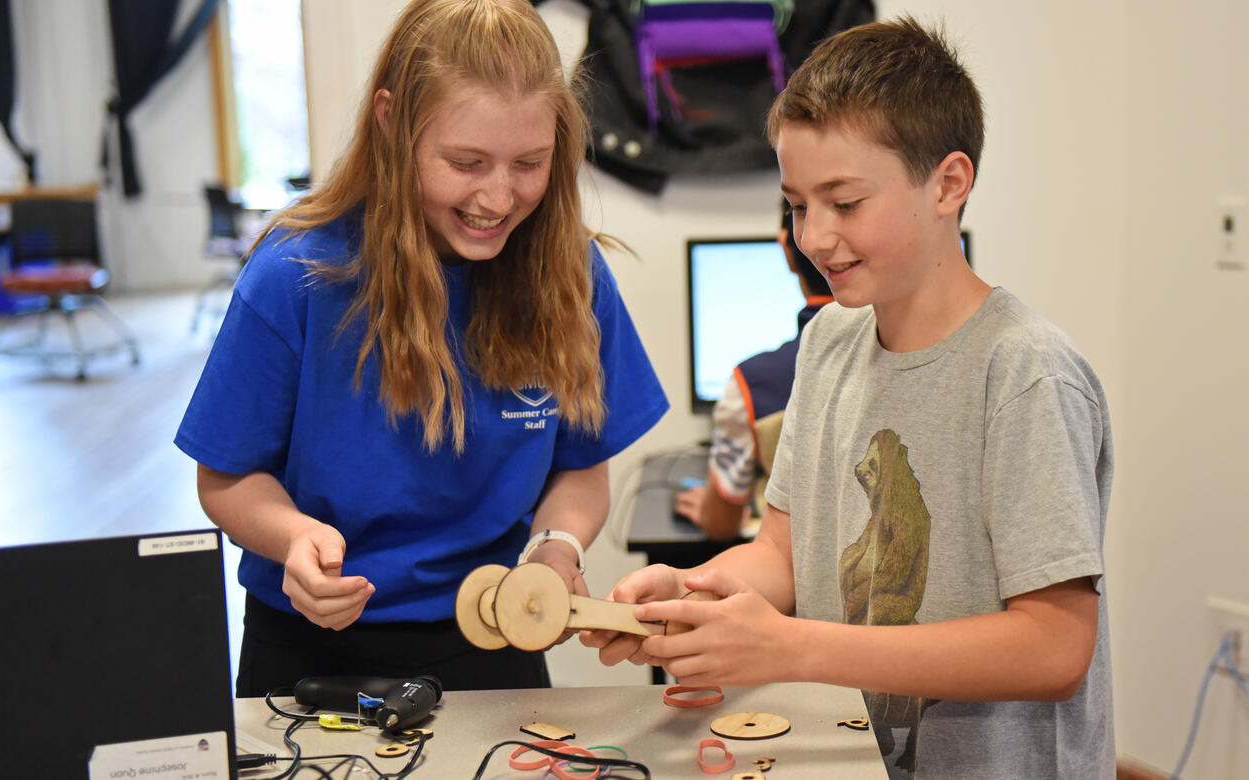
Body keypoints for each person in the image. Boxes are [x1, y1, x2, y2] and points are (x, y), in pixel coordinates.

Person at [582, 16, 1114, 779]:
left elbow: (1055, 647)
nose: (815, 238)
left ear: (949, 183)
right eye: (798, 205)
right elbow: (781, 555)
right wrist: (696, 595)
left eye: (845, 202)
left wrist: (790, 645)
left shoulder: (1025, 374)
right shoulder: (829, 341)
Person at [175, 0, 668, 697]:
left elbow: (583, 468)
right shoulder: (297, 276)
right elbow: (223, 479)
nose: (498, 197)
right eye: (466, 163)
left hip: (492, 645)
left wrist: (555, 548)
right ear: (391, 123)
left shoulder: (571, 275)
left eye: (530, 163)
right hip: (311, 649)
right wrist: (291, 538)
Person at [674, 207, 833, 541]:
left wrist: (710, 507)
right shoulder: (909, 352)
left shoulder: (751, 384)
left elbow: (721, 525)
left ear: (785, 249)